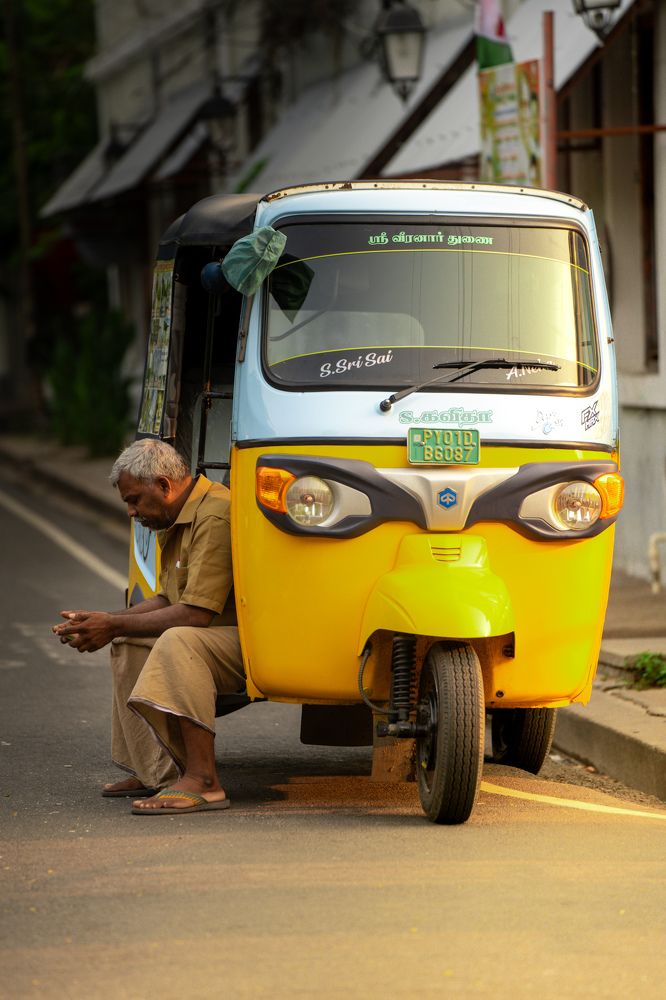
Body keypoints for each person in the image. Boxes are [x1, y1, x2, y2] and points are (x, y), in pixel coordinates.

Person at [53, 438, 245, 815]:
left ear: (163, 485)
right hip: (210, 633)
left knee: (178, 640)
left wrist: (111, 623)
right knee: (127, 640)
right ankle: (157, 771)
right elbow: (168, 598)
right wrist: (108, 622)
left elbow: (195, 614)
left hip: (252, 643)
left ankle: (204, 780)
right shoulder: (174, 516)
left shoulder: (215, 514)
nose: (130, 511)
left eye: (135, 499)